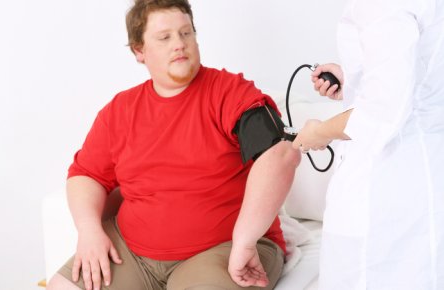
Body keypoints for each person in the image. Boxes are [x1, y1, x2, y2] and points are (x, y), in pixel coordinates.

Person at [47, 0, 301, 289]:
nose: (179, 44)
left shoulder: (229, 92)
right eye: (164, 37)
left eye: (186, 33)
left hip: (223, 248)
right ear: (139, 51)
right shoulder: (120, 110)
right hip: (132, 252)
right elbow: (86, 175)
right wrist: (89, 230)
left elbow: (280, 152)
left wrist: (245, 241)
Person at [293, 0, 444, 289]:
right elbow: (421, 76)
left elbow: (381, 110)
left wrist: (320, 132)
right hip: (424, 173)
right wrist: (356, 78)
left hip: (388, 187)